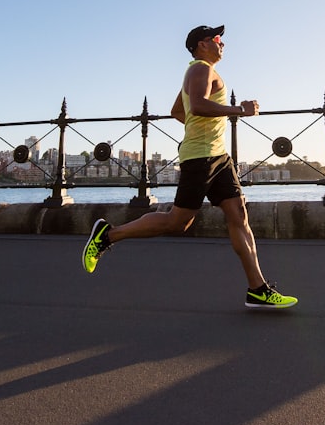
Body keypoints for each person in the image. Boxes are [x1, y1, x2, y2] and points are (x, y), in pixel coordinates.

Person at [82, 24, 298, 310]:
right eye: (217, 39)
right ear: (201, 44)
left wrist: (203, 129)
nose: (222, 44)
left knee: (239, 215)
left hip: (218, 156)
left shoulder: (202, 71)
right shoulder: (200, 69)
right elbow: (196, 106)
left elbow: (178, 111)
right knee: (178, 221)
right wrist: (238, 111)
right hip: (201, 158)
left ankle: (257, 289)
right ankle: (107, 235)